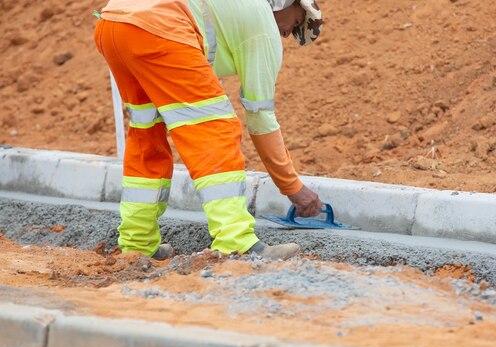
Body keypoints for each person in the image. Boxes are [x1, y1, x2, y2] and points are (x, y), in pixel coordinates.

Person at [93, 0, 324, 260]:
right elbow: (260, 119)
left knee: (146, 133)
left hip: (113, 24)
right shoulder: (262, 25)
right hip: (161, 27)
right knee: (215, 128)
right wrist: (293, 188)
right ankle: (236, 242)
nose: (285, 34)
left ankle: (137, 244)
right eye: (294, 23)